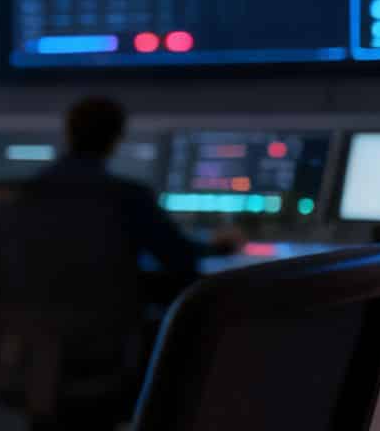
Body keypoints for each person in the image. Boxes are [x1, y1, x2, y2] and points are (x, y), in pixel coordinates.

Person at [34, 95, 243, 302]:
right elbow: (177, 255)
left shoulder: (24, 194)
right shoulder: (125, 197)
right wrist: (220, 248)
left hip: (29, 322)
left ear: (68, 132)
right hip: (105, 319)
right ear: (116, 137)